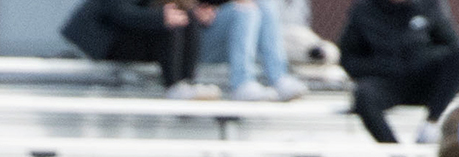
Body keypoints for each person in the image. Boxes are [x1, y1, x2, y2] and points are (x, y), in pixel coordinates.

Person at [338, 0, 459, 144]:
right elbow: (348, 59)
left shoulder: (428, 5)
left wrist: (421, 59)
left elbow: (452, 47)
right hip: (388, 84)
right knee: (363, 96)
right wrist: (385, 67)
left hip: (425, 83)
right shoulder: (364, 10)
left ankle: (430, 125)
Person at [62, 0, 221, 100]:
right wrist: (160, 18)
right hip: (106, 40)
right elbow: (120, 12)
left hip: (131, 34)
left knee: (186, 18)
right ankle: (174, 86)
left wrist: (198, 13)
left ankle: (186, 83)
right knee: (170, 23)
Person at [200, 0, 307, 101]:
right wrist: (193, 8)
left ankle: (279, 77)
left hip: (228, 42)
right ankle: (242, 82)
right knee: (245, 11)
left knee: (263, 4)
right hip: (198, 43)